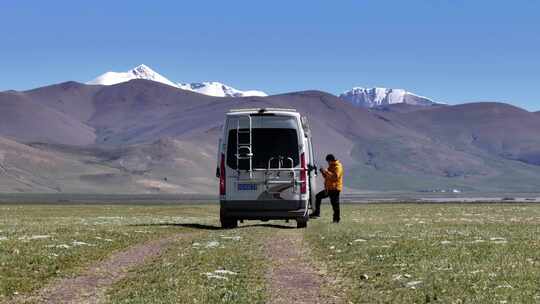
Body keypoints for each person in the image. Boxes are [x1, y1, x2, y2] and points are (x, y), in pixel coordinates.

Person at [310, 154, 343, 223]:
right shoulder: (331, 166)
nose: (327, 163)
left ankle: (336, 220)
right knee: (318, 196)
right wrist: (322, 171)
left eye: (328, 161)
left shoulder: (338, 166)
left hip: (335, 189)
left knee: (335, 205)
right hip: (329, 189)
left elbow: (335, 177)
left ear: (331, 160)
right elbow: (326, 177)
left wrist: (326, 171)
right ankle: (317, 213)